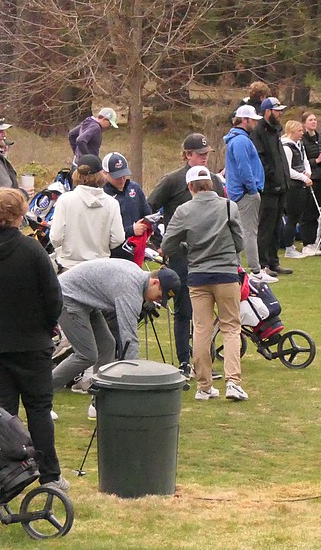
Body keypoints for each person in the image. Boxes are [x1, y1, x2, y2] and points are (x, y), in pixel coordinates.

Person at [0, 188, 67, 490]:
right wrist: (45, 327)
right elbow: (53, 298)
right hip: (33, 343)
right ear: (19, 216)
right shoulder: (32, 251)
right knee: (39, 409)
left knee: (3, 413)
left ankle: (9, 472)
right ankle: (50, 474)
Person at [161, 165, 247, 401]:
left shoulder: (183, 210)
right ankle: (233, 383)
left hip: (197, 275)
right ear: (211, 183)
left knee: (201, 328)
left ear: (190, 187)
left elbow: (168, 245)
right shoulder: (229, 206)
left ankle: (204, 386)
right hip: (227, 274)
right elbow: (240, 242)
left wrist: (187, 248)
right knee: (230, 327)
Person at [149, 133, 226, 377]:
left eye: (206, 154)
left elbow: (223, 212)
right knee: (184, 311)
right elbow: (148, 208)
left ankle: (203, 362)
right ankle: (184, 361)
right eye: (200, 154)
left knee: (206, 312)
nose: (204, 158)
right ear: (187, 155)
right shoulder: (172, 180)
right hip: (181, 256)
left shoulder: (214, 180)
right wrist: (160, 240)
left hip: (208, 255)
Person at [51, 259, 181, 393]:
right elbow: (129, 338)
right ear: (155, 282)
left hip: (86, 300)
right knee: (86, 355)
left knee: (107, 345)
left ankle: (102, 399)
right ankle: (41, 391)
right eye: (159, 296)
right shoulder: (130, 290)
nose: (157, 301)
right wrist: (135, 377)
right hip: (67, 297)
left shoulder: (137, 277)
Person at [50, 154, 126, 270]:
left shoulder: (65, 200)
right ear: (101, 175)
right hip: (100, 268)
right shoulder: (111, 203)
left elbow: (56, 237)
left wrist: (66, 250)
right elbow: (119, 238)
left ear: (76, 174)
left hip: (70, 267)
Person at [224, 104, 271, 282]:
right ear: (244, 120)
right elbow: (244, 168)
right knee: (249, 232)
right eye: (252, 120)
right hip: (245, 193)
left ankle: (243, 267)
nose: (255, 124)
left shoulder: (237, 139)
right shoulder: (241, 140)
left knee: (243, 231)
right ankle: (256, 271)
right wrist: (252, 189)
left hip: (241, 192)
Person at [251, 96, 292, 278]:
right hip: (268, 188)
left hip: (281, 186)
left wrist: (284, 179)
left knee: (276, 227)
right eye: (277, 110)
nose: (280, 113)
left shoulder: (275, 131)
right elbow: (262, 160)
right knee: (265, 226)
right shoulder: (259, 131)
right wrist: (273, 177)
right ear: (268, 111)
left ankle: (274, 262)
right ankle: (263, 263)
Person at [101, 151, 152, 265]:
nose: (122, 179)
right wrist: (131, 230)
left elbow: (147, 212)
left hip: (135, 250)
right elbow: (103, 231)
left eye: (124, 174)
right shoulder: (102, 195)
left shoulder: (134, 188)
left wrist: (148, 225)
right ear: (105, 173)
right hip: (112, 254)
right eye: (117, 176)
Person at [280, 120, 314, 260]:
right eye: (299, 131)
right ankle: (288, 247)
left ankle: (291, 245)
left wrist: (308, 172)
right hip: (293, 186)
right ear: (292, 131)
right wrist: (303, 177)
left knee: (297, 216)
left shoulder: (299, 145)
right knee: (292, 218)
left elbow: (304, 160)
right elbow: (288, 170)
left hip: (301, 183)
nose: (302, 133)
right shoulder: (287, 147)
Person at [299, 112, 321, 256]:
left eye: (315, 120)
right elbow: (301, 162)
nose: (313, 122)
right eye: (310, 120)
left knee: (318, 211)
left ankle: (314, 241)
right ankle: (306, 242)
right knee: (308, 212)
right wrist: (316, 161)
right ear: (304, 123)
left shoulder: (320, 137)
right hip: (310, 178)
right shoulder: (302, 140)